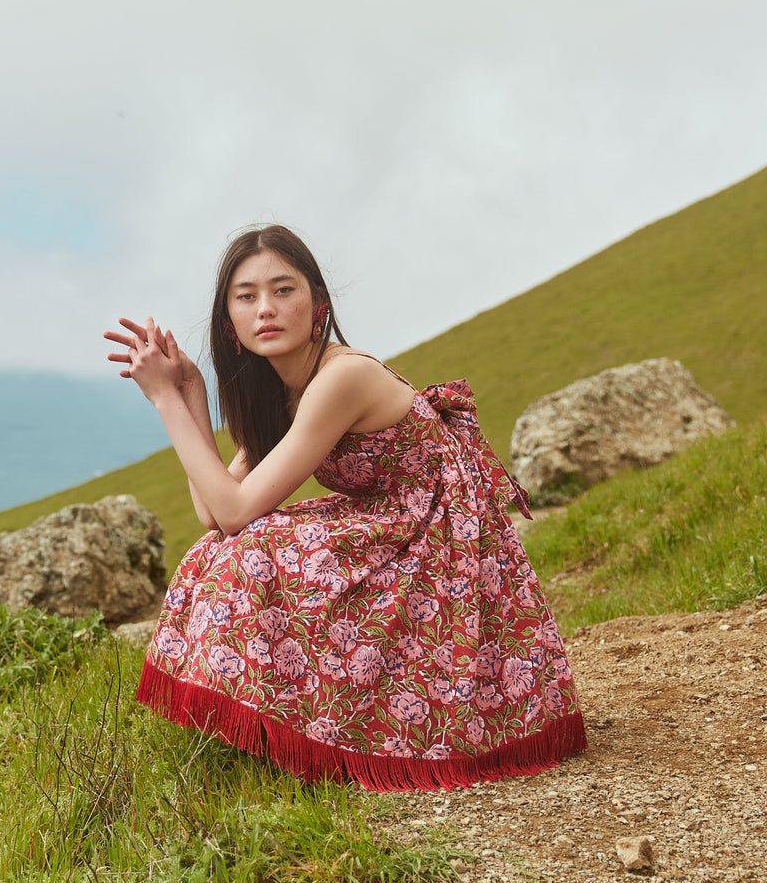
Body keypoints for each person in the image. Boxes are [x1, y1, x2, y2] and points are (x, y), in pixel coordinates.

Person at [104, 224, 585, 790]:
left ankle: (310, 725)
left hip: (438, 537)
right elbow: (214, 514)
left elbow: (235, 512)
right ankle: (283, 721)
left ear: (319, 305)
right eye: (247, 296)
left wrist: (161, 400)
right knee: (217, 551)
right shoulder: (282, 388)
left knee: (254, 552)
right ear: (228, 322)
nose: (266, 309)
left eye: (284, 290)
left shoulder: (341, 378)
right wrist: (190, 394)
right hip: (393, 522)